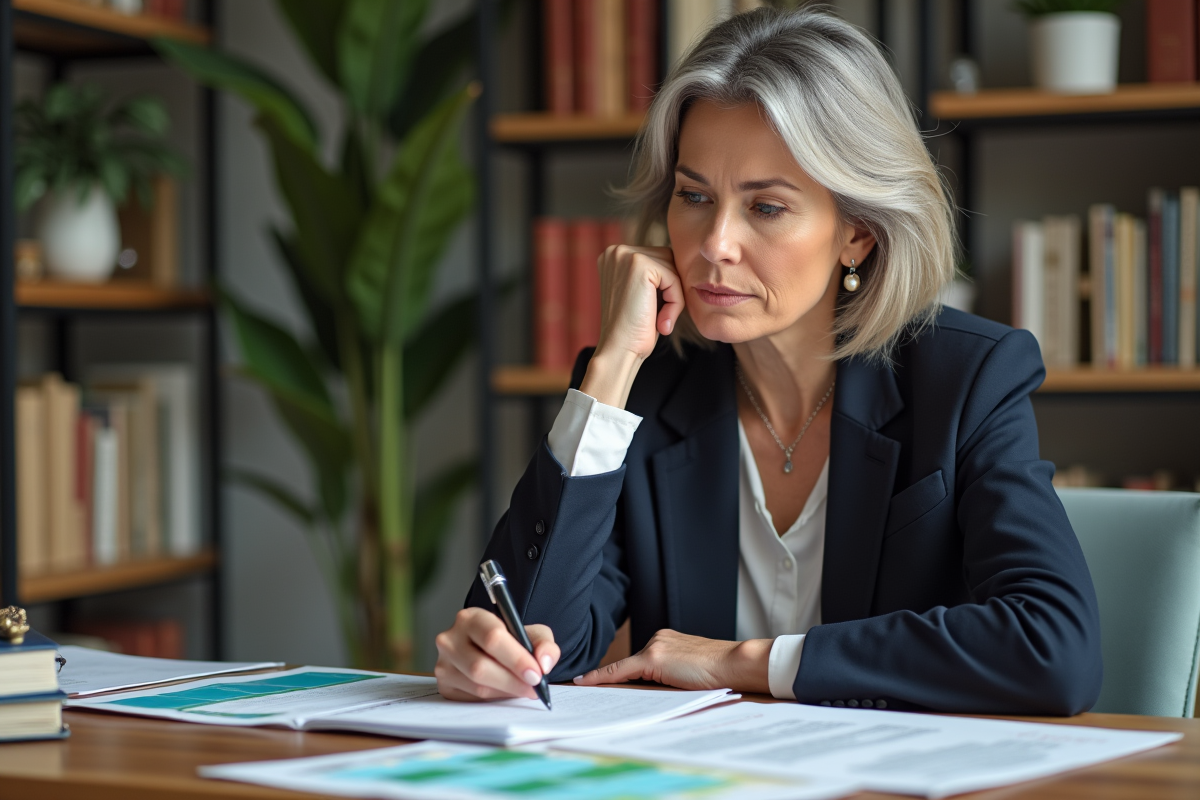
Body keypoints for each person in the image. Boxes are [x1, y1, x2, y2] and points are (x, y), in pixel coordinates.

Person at [435, 6, 1102, 714]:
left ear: (858, 233)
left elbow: (1054, 650)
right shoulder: (642, 389)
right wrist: (610, 370)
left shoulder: (967, 380)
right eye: (694, 196)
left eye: (767, 208)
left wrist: (743, 662)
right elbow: (537, 649)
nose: (715, 243)